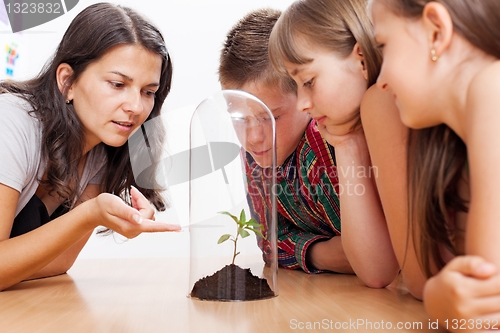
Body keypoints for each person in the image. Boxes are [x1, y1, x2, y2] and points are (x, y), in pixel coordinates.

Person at [0, 2, 180, 291]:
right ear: (67, 81)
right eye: (117, 84)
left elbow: (60, 262)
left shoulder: (100, 147)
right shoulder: (10, 123)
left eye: (148, 92)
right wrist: (89, 214)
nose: (135, 107)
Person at [370, 0, 500, 328]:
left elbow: (484, 310)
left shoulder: (492, 87)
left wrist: (440, 301)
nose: (381, 80)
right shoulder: (464, 144)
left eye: (383, 46)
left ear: (436, 30)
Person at [267, 0, 407, 288]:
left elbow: (402, 274)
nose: (303, 104)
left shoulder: (389, 108)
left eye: (308, 81)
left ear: (361, 60)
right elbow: (377, 272)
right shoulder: (347, 129)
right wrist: (346, 143)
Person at [219, 8, 353, 274]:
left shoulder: (333, 139)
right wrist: (322, 253)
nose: (254, 137)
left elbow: (377, 250)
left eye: (272, 116)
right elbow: (270, 244)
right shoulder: (253, 155)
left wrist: (350, 251)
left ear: (305, 94)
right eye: (240, 118)